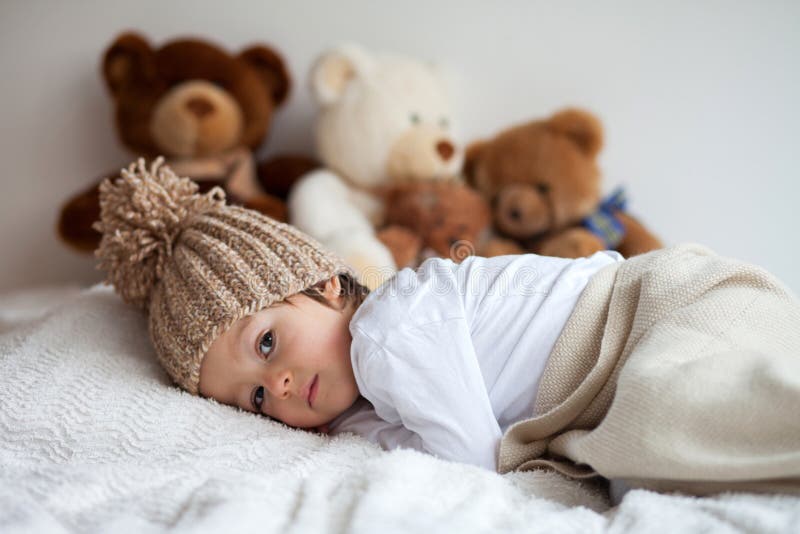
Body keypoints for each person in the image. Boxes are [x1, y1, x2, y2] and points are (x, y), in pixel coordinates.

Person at [96, 158, 800, 497]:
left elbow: (474, 457)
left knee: (679, 412)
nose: (277, 386)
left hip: (654, 313)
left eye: (267, 344)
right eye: (253, 399)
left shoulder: (389, 328)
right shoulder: (357, 413)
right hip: (603, 382)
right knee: (653, 464)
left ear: (323, 286)